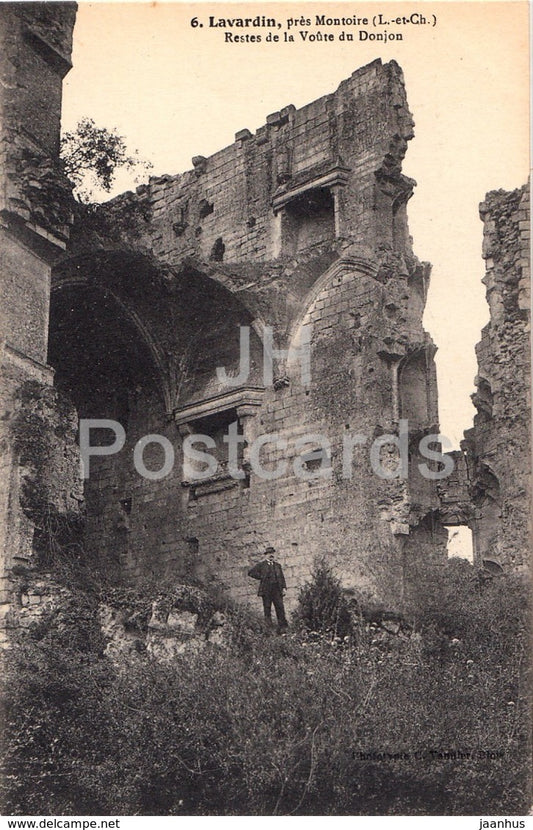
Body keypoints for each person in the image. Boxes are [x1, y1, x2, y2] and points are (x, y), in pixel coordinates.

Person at [248, 546, 288, 631]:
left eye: (272, 553)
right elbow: (251, 572)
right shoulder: (261, 565)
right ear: (266, 555)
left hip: (277, 590)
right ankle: (269, 629)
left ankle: (283, 628)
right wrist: (261, 577)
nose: (271, 555)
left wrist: (284, 588)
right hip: (266, 590)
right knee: (267, 608)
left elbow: (281, 577)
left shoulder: (278, 566)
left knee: (280, 608)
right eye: (269, 553)